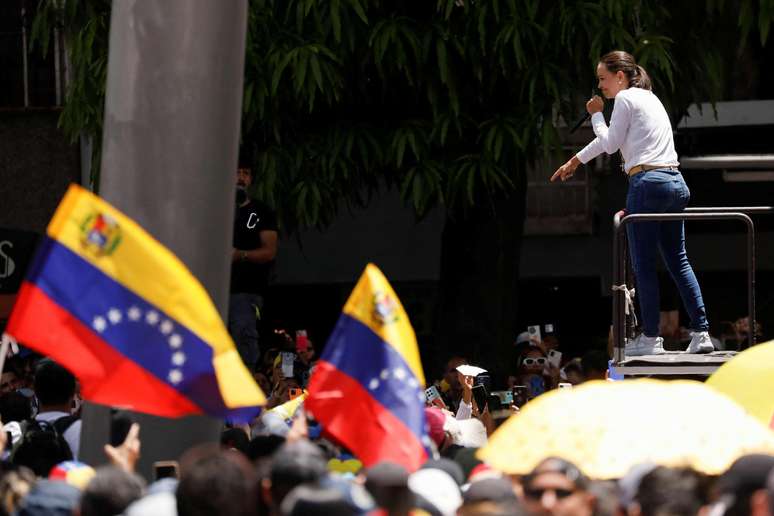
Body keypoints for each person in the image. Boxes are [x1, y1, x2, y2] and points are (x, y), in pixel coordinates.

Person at [551, 50, 712, 356]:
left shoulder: (624, 99)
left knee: (644, 265)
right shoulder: (649, 98)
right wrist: (576, 159)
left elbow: (611, 144)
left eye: (603, 79)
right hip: (674, 182)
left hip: (648, 184)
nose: (601, 87)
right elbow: (611, 140)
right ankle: (701, 331)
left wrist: (597, 112)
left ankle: (651, 338)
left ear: (620, 76)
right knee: (678, 260)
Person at [229, 165, 279, 370]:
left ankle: (249, 385)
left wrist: (240, 254)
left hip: (246, 289)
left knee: (243, 336)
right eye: (237, 172)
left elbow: (269, 251)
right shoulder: (216, 208)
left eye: (246, 173)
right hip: (213, 287)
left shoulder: (262, 211)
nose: (241, 177)